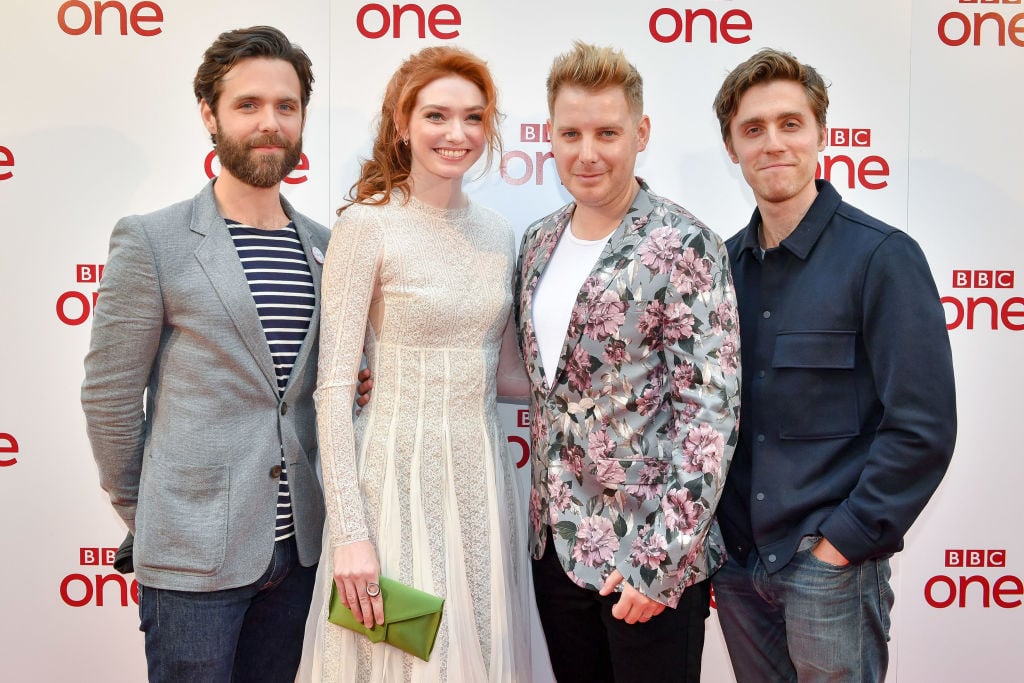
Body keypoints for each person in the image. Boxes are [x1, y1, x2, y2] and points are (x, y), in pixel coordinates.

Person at [81, 26, 331, 682]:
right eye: (247, 104)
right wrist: (156, 515)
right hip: (190, 558)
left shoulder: (327, 245)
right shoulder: (154, 240)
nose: (269, 122)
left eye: (286, 105)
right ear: (209, 116)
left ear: (302, 116)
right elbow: (108, 396)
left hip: (298, 552)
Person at [710, 48, 957, 682]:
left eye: (790, 124)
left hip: (830, 570)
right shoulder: (718, 269)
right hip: (739, 569)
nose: (773, 144)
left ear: (821, 133)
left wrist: (842, 544)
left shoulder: (883, 257)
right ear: (732, 147)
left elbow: (922, 426)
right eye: (753, 129)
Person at [515, 41, 741, 683]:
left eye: (607, 132)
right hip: (557, 550)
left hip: (648, 559)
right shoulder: (538, 242)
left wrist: (659, 560)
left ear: (640, 133)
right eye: (571, 133)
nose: (588, 152)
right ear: (551, 138)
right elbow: (540, 378)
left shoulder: (684, 243)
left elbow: (711, 416)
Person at [312, 46, 531, 681]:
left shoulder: (497, 232)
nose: (456, 134)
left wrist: (603, 396)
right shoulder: (367, 225)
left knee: (477, 658)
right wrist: (351, 532)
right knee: (398, 661)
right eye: (437, 115)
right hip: (390, 488)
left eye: (473, 117)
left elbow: (507, 375)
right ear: (401, 124)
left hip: (481, 486)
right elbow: (332, 389)